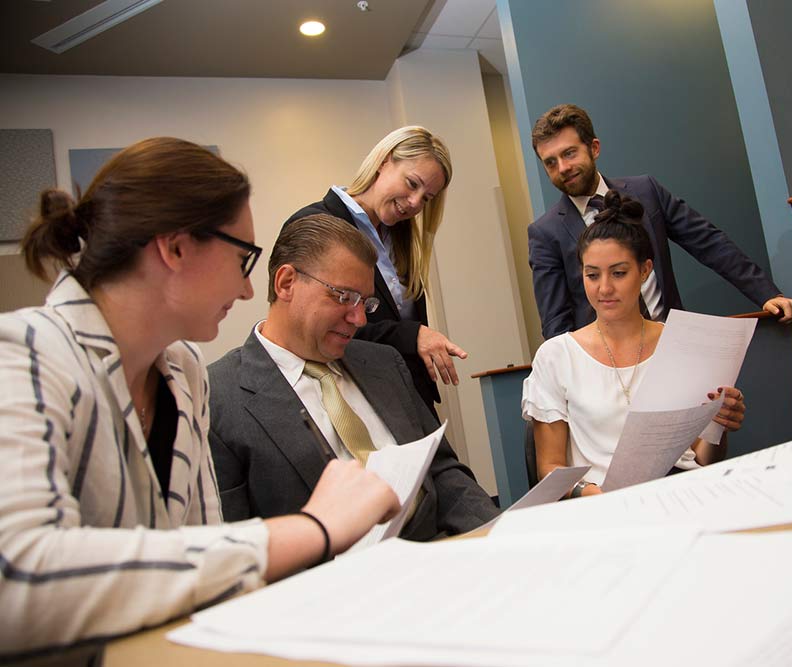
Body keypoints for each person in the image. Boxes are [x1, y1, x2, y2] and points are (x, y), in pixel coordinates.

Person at [0, 138, 401, 659]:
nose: (243, 290)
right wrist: (312, 529)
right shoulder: (24, 352)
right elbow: (19, 575)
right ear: (176, 247)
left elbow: (205, 562)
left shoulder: (183, 371)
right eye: (243, 258)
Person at [208, 213, 499, 539]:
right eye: (344, 297)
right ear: (286, 282)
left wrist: (499, 534)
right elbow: (237, 545)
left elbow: (443, 471)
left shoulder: (383, 364)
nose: (359, 318)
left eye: (366, 302)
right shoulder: (219, 398)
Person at [522, 191, 746, 496]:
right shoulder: (557, 356)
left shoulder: (678, 344)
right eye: (592, 275)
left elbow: (702, 458)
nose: (604, 288)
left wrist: (718, 427)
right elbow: (550, 468)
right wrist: (590, 493)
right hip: (605, 504)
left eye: (618, 273)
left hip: (682, 492)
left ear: (644, 270)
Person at [527, 104, 787, 339]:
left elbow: (709, 242)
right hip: (607, 370)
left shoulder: (646, 192)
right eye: (551, 163)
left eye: (569, 154)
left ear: (594, 148)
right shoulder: (545, 234)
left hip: (673, 345)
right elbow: (555, 323)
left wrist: (767, 294)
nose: (562, 168)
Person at [284, 126, 461, 413]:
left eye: (427, 198)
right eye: (412, 183)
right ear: (384, 161)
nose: (416, 203)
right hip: (350, 398)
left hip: (407, 397)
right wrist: (411, 335)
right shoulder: (315, 223)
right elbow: (308, 326)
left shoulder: (400, 239)